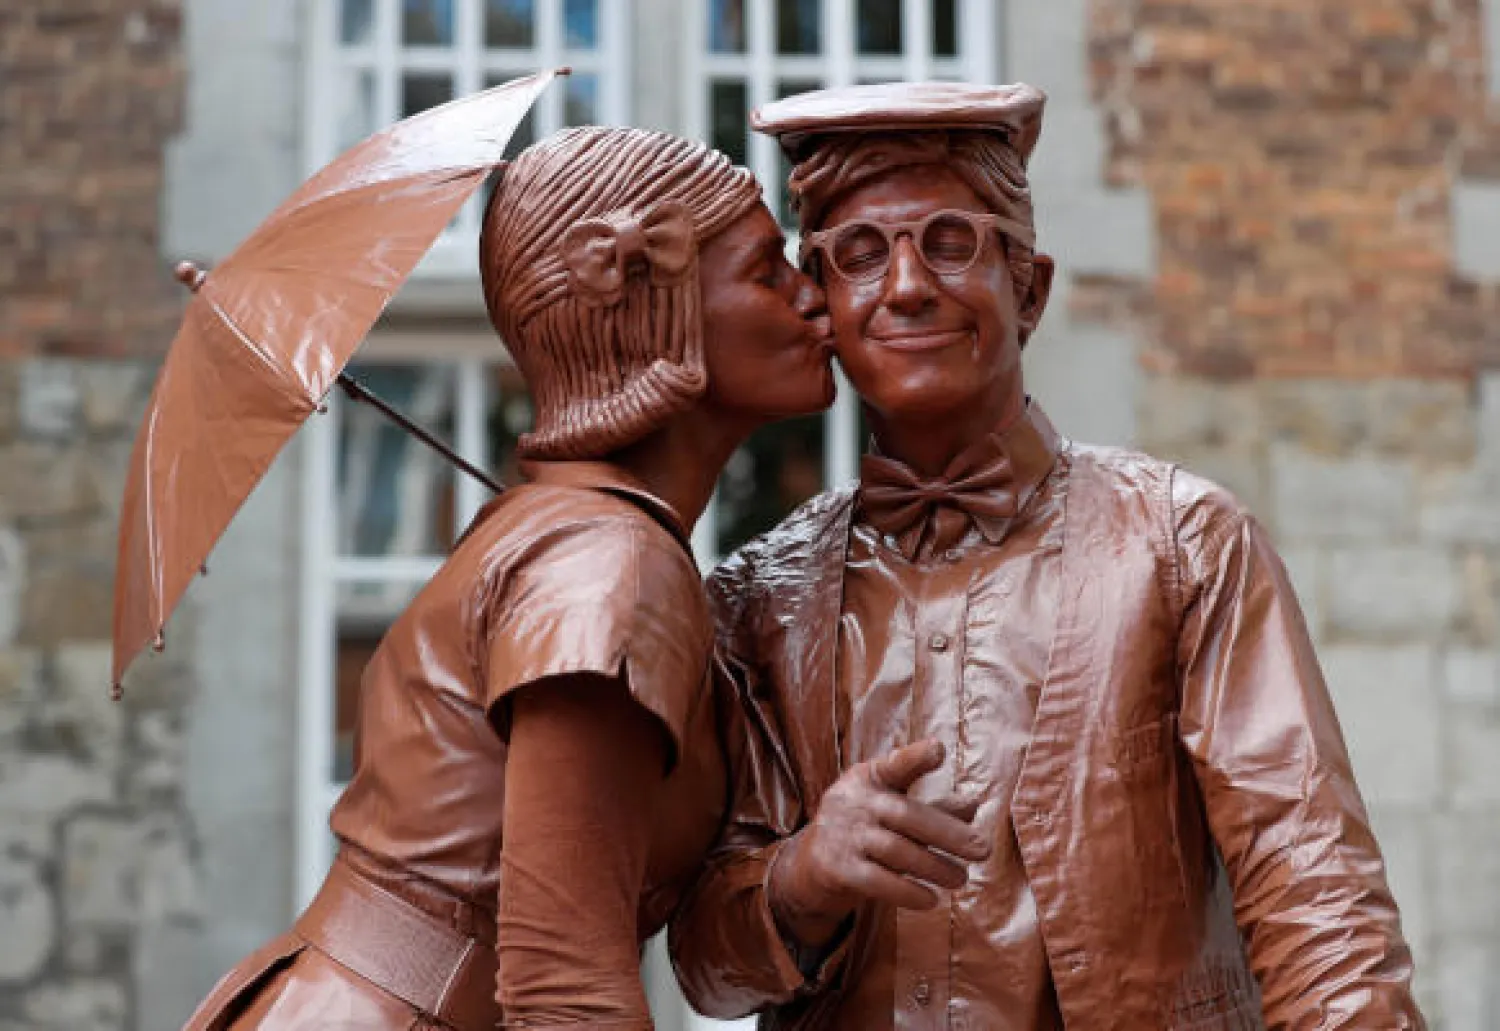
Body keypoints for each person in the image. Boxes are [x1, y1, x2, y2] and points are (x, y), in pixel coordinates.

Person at [669, 81, 1426, 1030]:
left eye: (950, 241)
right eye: (860, 255)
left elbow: (1316, 895)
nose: (906, 285)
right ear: (820, 303)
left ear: (1028, 288)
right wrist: (801, 875)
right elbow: (704, 964)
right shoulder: (755, 599)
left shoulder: (1186, 544)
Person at [180, 125, 833, 1031]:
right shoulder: (606, 562)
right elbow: (566, 990)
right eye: (770, 272)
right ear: (656, 308)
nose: (817, 299)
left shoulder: (566, 534)